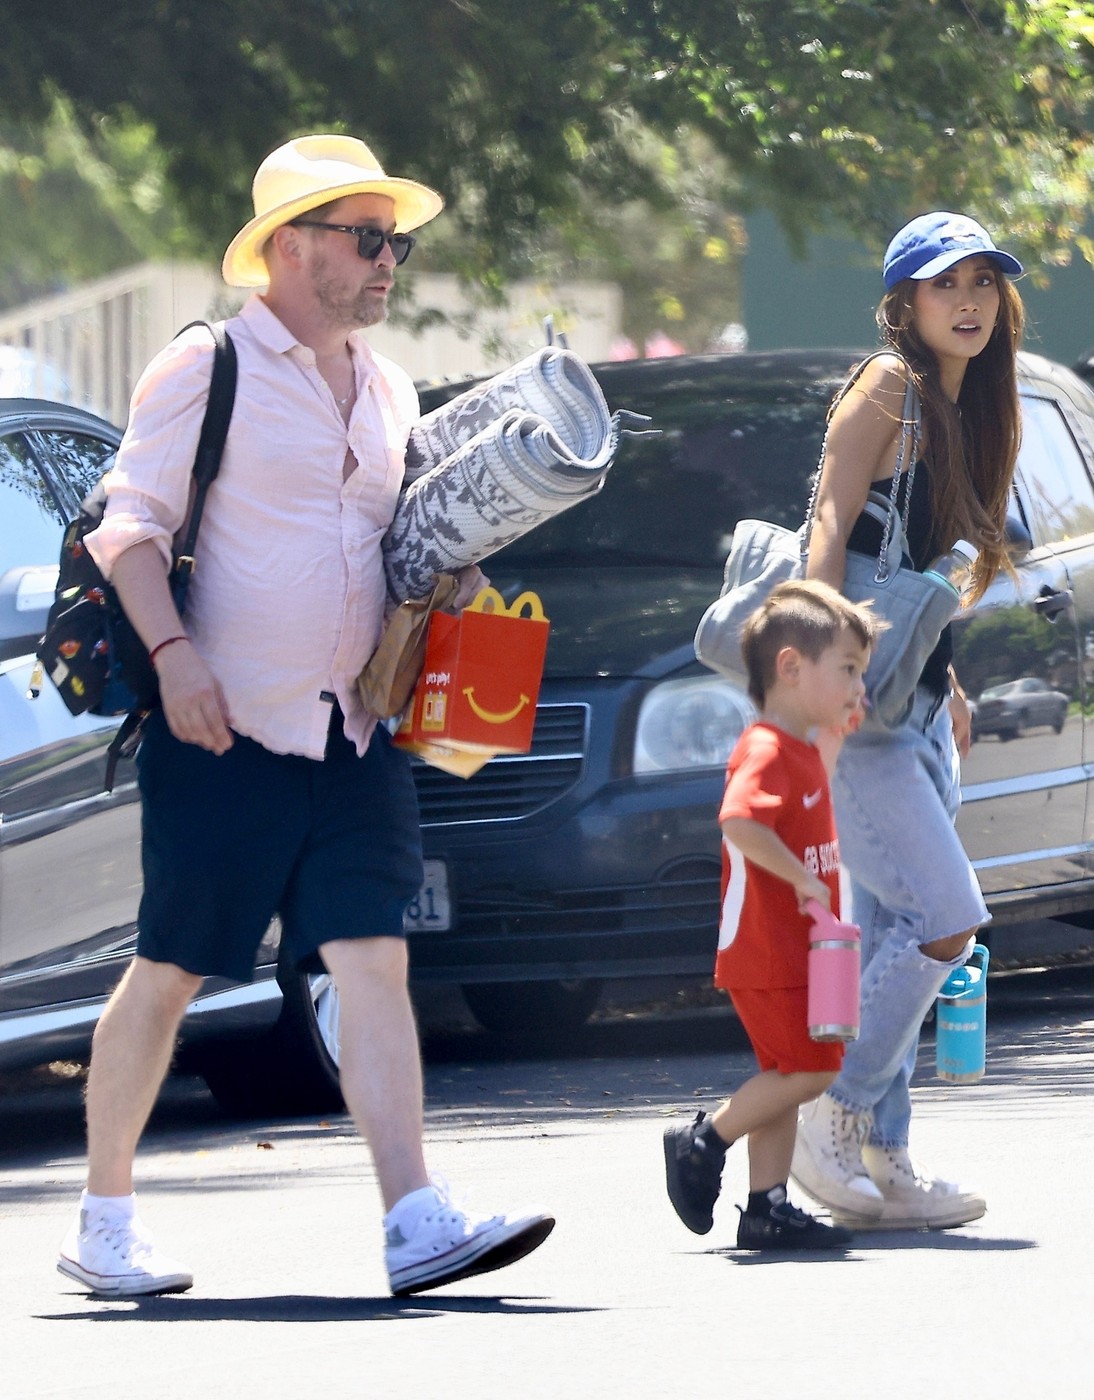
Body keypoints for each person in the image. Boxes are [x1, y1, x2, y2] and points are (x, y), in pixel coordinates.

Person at [56, 133, 554, 1299]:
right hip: (221, 730)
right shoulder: (206, 367)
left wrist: (454, 583)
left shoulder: (385, 385)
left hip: (353, 729)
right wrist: (175, 659)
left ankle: (412, 1216)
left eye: (396, 240)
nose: (389, 260)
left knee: (373, 959)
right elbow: (126, 532)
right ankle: (103, 1215)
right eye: (366, 237)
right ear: (291, 246)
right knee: (173, 966)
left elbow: (386, 542)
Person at [792, 211, 1025, 1229]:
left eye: (980, 282)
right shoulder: (886, 385)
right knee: (945, 917)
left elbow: (929, 569)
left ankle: (884, 1158)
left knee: (894, 925)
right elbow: (829, 526)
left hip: (916, 701)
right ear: (904, 303)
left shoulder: (974, 405)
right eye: (945, 285)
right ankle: (827, 1115)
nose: (967, 301)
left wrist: (952, 681)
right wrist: (811, 682)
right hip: (857, 705)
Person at [663, 579, 881, 1249]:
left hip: (796, 949)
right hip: (767, 945)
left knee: (785, 1076)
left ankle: (766, 1206)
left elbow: (814, 784)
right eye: (846, 669)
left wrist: (841, 728)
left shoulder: (801, 749)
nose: (855, 685)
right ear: (791, 668)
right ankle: (703, 1141)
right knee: (813, 1070)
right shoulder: (763, 749)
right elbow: (739, 823)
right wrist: (803, 885)